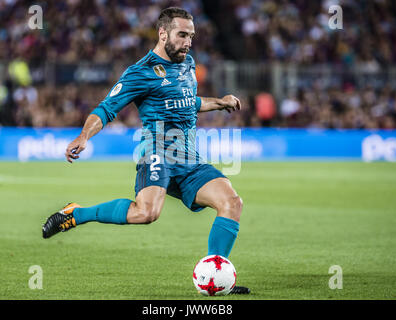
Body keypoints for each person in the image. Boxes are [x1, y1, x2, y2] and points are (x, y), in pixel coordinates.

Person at [42, 7, 249, 295]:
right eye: (182, 35)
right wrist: (83, 135)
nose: (188, 42)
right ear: (163, 34)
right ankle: (77, 213)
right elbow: (106, 108)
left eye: (191, 35)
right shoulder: (140, 73)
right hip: (157, 153)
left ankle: (218, 273)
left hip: (189, 159)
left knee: (232, 203)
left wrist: (220, 102)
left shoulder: (188, 64)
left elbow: (189, 101)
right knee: (146, 213)